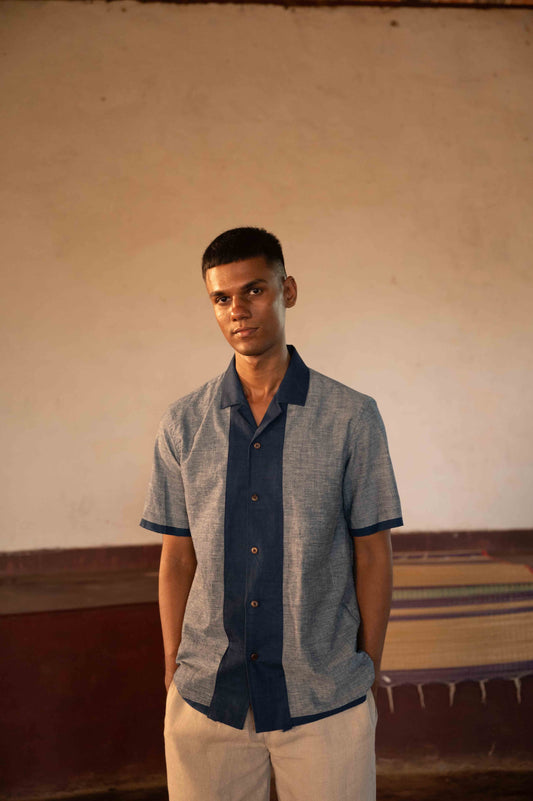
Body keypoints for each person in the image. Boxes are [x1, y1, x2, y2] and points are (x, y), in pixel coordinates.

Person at [140, 226, 403, 801]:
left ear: (288, 290)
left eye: (254, 291)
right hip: (207, 699)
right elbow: (177, 556)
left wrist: (365, 671)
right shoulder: (183, 422)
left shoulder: (352, 417)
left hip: (325, 699)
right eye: (221, 298)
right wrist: (172, 668)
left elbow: (372, 551)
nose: (238, 310)